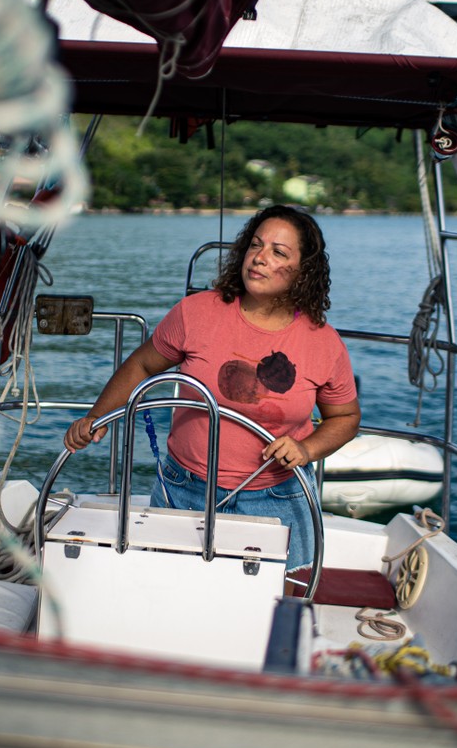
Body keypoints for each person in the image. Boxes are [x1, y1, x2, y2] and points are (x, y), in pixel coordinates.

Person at [64, 205, 361, 571]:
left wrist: (306, 447)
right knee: (171, 591)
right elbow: (141, 364)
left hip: (278, 496)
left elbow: (345, 417)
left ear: (304, 271)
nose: (260, 258)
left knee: (274, 610)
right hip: (183, 487)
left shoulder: (323, 343)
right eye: (256, 245)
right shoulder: (196, 313)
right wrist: (98, 417)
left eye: (278, 252)